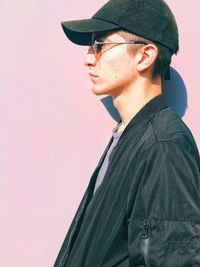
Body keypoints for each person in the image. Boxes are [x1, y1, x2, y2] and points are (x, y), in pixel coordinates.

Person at [54, 0, 200, 266]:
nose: (88, 58)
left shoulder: (165, 146)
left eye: (100, 45)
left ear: (145, 56)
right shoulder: (128, 135)